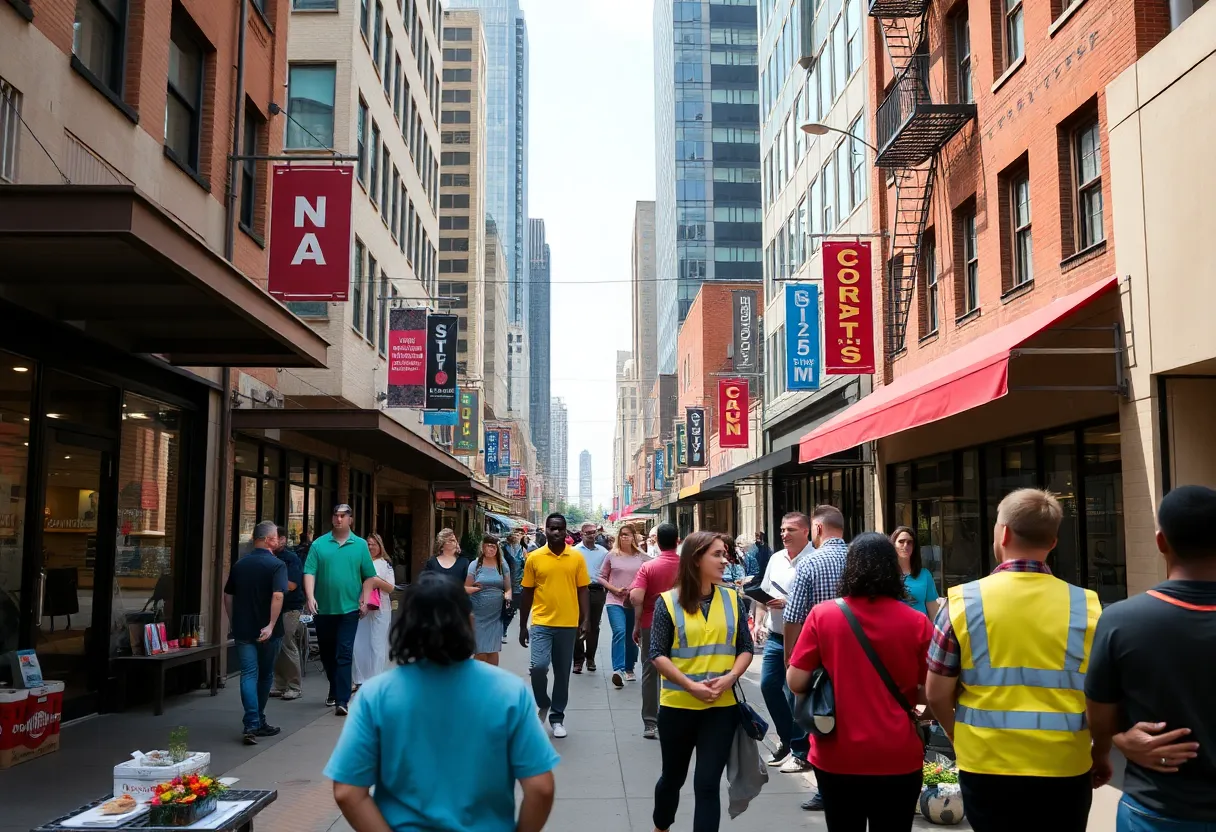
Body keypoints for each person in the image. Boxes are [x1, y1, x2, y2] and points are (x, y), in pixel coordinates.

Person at [925, 488, 1102, 832]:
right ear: (1053, 542)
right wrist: (1103, 749)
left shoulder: (961, 603)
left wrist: (956, 734)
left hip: (987, 764)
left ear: (1003, 533)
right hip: (1064, 765)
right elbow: (1102, 695)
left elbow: (935, 693)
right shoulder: (1088, 606)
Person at [326, 573, 558, 832]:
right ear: (469, 623)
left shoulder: (375, 696)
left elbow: (347, 791)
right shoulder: (509, 692)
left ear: (404, 628)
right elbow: (541, 787)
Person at [1087, 485, 1216, 830]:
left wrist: (1114, 743)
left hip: (1155, 812)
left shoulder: (1121, 620)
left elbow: (1099, 714)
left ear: (1161, 542)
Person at [786, 533, 934, 831]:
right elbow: (933, 692)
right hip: (898, 754)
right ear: (893, 569)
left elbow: (796, 682)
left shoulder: (824, 615)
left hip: (837, 754)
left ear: (850, 568)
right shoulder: (917, 622)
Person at [650, 531, 754, 832]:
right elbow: (657, 653)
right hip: (678, 707)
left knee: (707, 784)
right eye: (718, 554)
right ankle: (661, 825)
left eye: (726, 554)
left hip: (722, 708)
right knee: (673, 777)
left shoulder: (733, 599)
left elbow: (745, 648)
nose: (725, 561)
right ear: (696, 559)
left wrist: (732, 677)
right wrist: (690, 685)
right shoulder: (667, 603)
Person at [782, 504, 850, 811]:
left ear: (818, 530)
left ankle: (826, 790)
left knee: (819, 722)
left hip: (820, 660)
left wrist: (790, 658)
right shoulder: (859, 560)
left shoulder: (809, 564)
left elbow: (793, 617)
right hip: (858, 656)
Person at [517, 513, 590, 739]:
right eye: (552, 528)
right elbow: (527, 592)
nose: (556, 532)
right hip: (541, 623)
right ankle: (543, 703)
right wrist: (522, 625)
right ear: (545, 530)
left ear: (566, 530)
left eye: (560, 528)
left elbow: (583, 590)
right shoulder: (534, 558)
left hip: (568, 624)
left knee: (562, 673)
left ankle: (557, 717)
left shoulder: (576, 558)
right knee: (538, 667)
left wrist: (585, 619)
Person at [304, 504, 378, 717]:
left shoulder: (360, 545)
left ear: (350, 519)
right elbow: (309, 571)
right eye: (335, 515)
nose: (338, 519)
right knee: (327, 654)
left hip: (349, 609)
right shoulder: (319, 544)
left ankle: (342, 700)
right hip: (324, 609)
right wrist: (310, 596)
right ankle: (335, 687)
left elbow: (369, 576)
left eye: (343, 516)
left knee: (344, 653)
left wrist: (364, 599)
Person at [754, 512, 813, 776]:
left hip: (802, 639)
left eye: (790, 530)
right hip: (775, 636)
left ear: (806, 532)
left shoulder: (814, 560)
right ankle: (787, 740)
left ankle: (800, 750)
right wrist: (757, 621)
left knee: (795, 694)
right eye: (782, 530)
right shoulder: (776, 559)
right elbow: (763, 594)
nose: (784, 535)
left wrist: (789, 604)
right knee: (768, 686)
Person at [224, 521, 287, 745]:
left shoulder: (240, 565)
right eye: (276, 537)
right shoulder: (277, 565)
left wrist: (233, 621)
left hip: (243, 628)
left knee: (248, 674)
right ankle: (258, 719)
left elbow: (228, 595)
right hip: (268, 631)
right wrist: (270, 625)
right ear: (269, 539)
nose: (278, 541)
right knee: (265, 675)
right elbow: (278, 595)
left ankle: (252, 722)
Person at [629, 522, 682, 739]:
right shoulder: (689, 565)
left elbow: (636, 597)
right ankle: (678, 718)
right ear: (678, 542)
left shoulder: (648, 567)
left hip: (652, 622)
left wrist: (637, 624)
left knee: (650, 672)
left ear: (657, 543)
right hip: (684, 623)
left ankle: (650, 723)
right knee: (681, 669)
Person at [598, 522, 646, 688]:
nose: (624, 537)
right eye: (622, 534)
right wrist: (614, 589)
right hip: (614, 600)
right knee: (619, 631)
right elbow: (601, 576)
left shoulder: (641, 555)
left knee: (632, 635)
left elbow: (652, 570)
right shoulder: (612, 555)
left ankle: (629, 667)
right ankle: (617, 669)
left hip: (634, 601)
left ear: (634, 536)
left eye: (627, 534)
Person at [352, 533, 396, 688]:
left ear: (380, 546)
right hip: (360, 607)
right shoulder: (358, 563)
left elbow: (390, 587)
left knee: (377, 644)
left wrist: (375, 581)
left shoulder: (385, 564)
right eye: (368, 544)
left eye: (373, 544)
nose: (370, 547)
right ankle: (360, 679)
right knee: (359, 643)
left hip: (380, 608)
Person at [466, 535, 513, 666]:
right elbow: (465, 588)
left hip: (496, 615)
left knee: (493, 650)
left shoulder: (502, 565)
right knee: (480, 651)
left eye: (494, 546)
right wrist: (474, 589)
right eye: (488, 546)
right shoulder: (475, 565)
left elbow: (508, 588)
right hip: (478, 614)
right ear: (483, 547)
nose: (491, 549)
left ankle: (492, 680)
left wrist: (508, 597)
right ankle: (475, 681)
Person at [270, 526, 305, 701]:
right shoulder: (268, 556)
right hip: (272, 608)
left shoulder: (291, 559)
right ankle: (280, 684)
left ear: (283, 539)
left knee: (287, 643)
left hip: (290, 608)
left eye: (275, 537)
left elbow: (292, 585)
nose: (272, 541)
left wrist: (270, 587)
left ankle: (294, 686)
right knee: (276, 645)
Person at [573, 521, 610, 673]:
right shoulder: (574, 552)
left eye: (593, 532)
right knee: (577, 625)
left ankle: (590, 658)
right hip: (578, 591)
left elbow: (608, 572)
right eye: (587, 532)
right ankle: (578, 660)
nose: (591, 535)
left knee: (594, 626)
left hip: (596, 591)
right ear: (581, 534)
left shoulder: (603, 552)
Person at [891, 526, 940, 618]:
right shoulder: (885, 575)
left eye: (909, 542)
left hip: (921, 629)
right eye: (901, 541)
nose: (905, 545)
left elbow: (934, 611)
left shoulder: (925, 575)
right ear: (893, 544)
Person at [501, 531, 527, 642]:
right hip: (504, 584)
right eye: (515, 535)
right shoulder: (503, 548)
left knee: (512, 609)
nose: (516, 536)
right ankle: (501, 629)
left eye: (518, 535)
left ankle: (505, 629)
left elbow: (526, 566)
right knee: (503, 608)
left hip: (518, 585)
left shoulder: (522, 550)